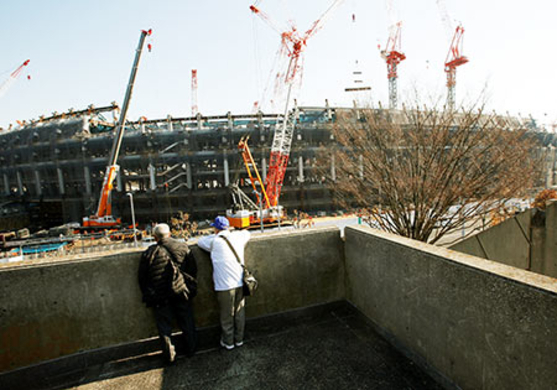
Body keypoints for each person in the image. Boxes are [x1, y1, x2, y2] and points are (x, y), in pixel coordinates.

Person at [138, 223, 198, 364]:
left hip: (160, 296)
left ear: (154, 237)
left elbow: (142, 278)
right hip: (180, 290)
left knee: (164, 327)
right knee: (187, 320)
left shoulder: (149, 253)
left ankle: (169, 355)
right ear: (170, 234)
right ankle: (191, 349)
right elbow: (192, 269)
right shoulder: (182, 247)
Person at [197, 216, 251, 350]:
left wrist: (214, 235)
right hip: (240, 282)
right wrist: (234, 231)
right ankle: (239, 339)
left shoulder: (214, 241)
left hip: (224, 285)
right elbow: (247, 232)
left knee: (227, 315)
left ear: (216, 228)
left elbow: (200, 241)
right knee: (239, 312)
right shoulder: (239, 237)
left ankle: (228, 342)